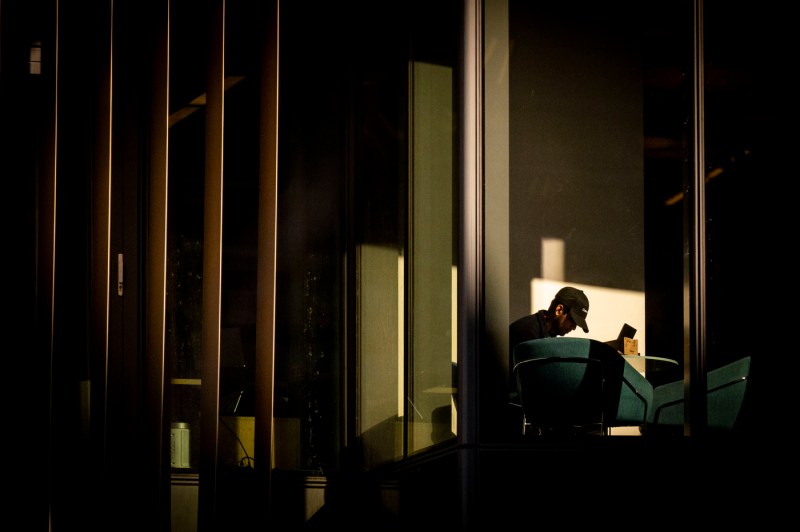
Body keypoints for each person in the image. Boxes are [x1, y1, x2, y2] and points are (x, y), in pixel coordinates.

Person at [508, 286, 590, 402]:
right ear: (559, 310)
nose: (574, 328)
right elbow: (529, 387)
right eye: (573, 320)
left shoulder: (547, 336)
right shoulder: (528, 333)